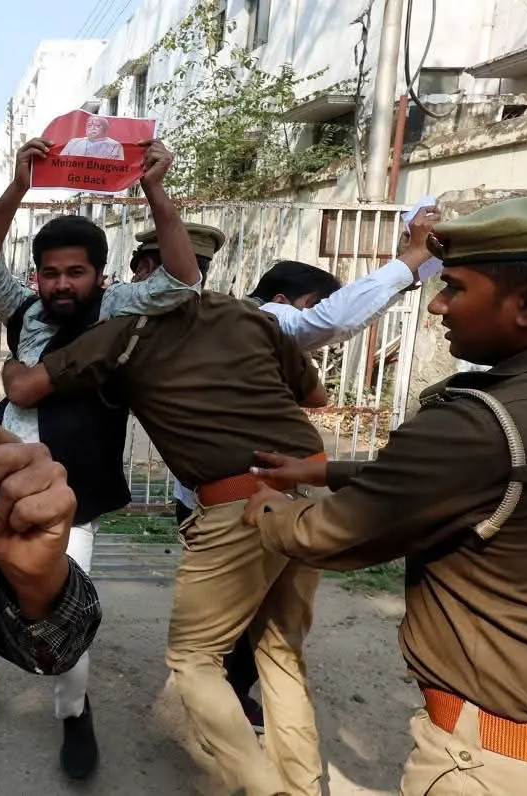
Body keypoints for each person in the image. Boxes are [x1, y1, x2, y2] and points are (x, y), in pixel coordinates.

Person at [244, 195, 527, 794]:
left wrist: (262, 506)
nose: (436, 305)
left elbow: (329, 535)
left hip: (501, 765)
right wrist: (323, 471)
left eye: (454, 288)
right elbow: (462, 482)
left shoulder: (480, 423)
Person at [0, 136, 201, 781]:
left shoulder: (120, 309)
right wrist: (17, 185)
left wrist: (155, 189)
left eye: (75, 272)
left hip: (66, 492)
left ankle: (74, 712)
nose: (62, 284)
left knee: (60, 600)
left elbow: (183, 281)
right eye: (50, 272)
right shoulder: (25, 311)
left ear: (99, 274)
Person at [2, 258, 331, 796]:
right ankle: (300, 786)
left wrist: (14, 366)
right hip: (311, 490)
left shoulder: (127, 332)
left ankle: (261, 790)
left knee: (194, 659)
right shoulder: (249, 317)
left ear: (146, 270)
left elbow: (26, 389)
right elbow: (314, 397)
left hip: (240, 508)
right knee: (279, 649)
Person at [178, 214, 445, 730]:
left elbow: (313, 387)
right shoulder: (257, 322)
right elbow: (330, 325)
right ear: (282, 302)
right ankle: (223, 708)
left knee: (252, 616)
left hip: (229, 494)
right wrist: (410, 261)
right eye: (308, 306)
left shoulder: (231, 332)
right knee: (247, 623)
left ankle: (227, 697)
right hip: (244, 499)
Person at [60, 115, 126, 160]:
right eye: (89, 125)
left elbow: (118, 168)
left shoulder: (115, 145)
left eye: (97, 126)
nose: (92, 128)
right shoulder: (74, 142)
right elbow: (60, 161)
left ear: (105, 129)